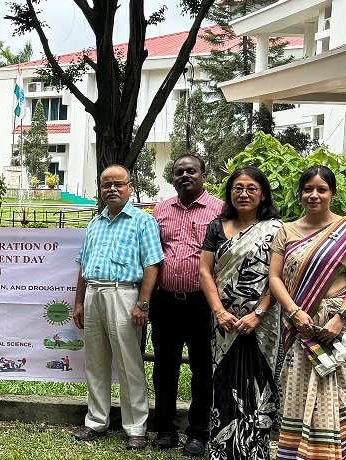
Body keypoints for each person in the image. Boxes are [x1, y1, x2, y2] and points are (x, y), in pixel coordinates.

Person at [269, 165, 346, 460]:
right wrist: (294, 312)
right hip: (298, 325)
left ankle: (334, 453)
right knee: (295, 392)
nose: (314, 195)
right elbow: (274, 277)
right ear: (300, 193)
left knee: (337, 391)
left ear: (332, 193)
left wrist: (342, 318)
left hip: (337, 325)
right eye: (308, 189)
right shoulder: (286, 231)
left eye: (321, 189)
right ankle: (295, 453)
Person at [71, 165, 163, 450]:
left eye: (117, 184)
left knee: (128, 363)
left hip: (124, 294)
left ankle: (136, 427)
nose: (111, 189)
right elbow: (83, 265)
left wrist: (143, 303)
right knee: (95, 363)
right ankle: (96, 421)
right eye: (105, 185)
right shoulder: (95, 222)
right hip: (94, 292)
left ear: (130, 186)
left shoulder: (142, 221)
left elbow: (152, 264)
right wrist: (78, 302)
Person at [198, 167, 283, 459]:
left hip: (263, 323)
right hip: (225, 323)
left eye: (251, 188)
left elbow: (279, 278)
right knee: (223, 381)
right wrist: (219, 311)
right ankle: (222, 451)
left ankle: (255, 451)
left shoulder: (276, 230)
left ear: (262, 194)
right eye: (237, 188)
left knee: (259, 387)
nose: (243, 193)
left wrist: (257, 314)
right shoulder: (216, 226)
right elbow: (205, 272)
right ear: (229, 192)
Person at [151, 154, 224, 456]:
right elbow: (152, 253)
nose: (185, 176)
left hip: (202, 303)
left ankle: (198, 432)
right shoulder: (161, 209)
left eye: (191, 171)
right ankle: (165, 428)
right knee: (164, 368)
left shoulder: (220, 209)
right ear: (173, 177)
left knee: (202, 369)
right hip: (165, 301)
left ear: (203, 175)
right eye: (179, 172)